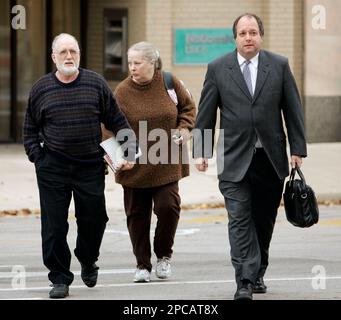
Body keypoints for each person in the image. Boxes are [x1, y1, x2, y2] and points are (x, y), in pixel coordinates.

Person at [193, 13, 307, 300]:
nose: (248, 37)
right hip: (233, 158)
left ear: (261, 36)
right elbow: (205, 114)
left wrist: (297, 148)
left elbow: (293, 110)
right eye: (243, 33)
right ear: (235, 38)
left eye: (253, 32)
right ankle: (244, 280)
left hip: (270, 158)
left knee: (263, 219)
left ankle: (258, 272)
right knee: (239, 219)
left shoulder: (278, 66)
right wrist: (201, 151)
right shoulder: (218, 68)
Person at [23, 33, 136, 299]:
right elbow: (29, 130)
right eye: (62, 52)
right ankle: (59, 277)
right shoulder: (41, 89)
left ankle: (87, 258)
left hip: (89, 166)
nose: (69, 56)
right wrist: (37, 158)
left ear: (80, 54)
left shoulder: (95, 84)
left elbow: (118, 120)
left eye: (73, 51)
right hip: (53, 167)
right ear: (53, 57)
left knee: (95, 219)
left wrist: (130, 151)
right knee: (54, 226)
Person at [103, 41, 196, 283]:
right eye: (129, 62)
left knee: (169, 207)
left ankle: (164, 256)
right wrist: (117, 157)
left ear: (151, 63)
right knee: (137, 216)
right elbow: (107, 127)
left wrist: (185, 129)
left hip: (165, 161)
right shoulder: (122, 92)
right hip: (134, 166)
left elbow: (188, 108)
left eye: (137, 62)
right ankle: (142, 265)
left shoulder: (168, 82)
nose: (131, 67)